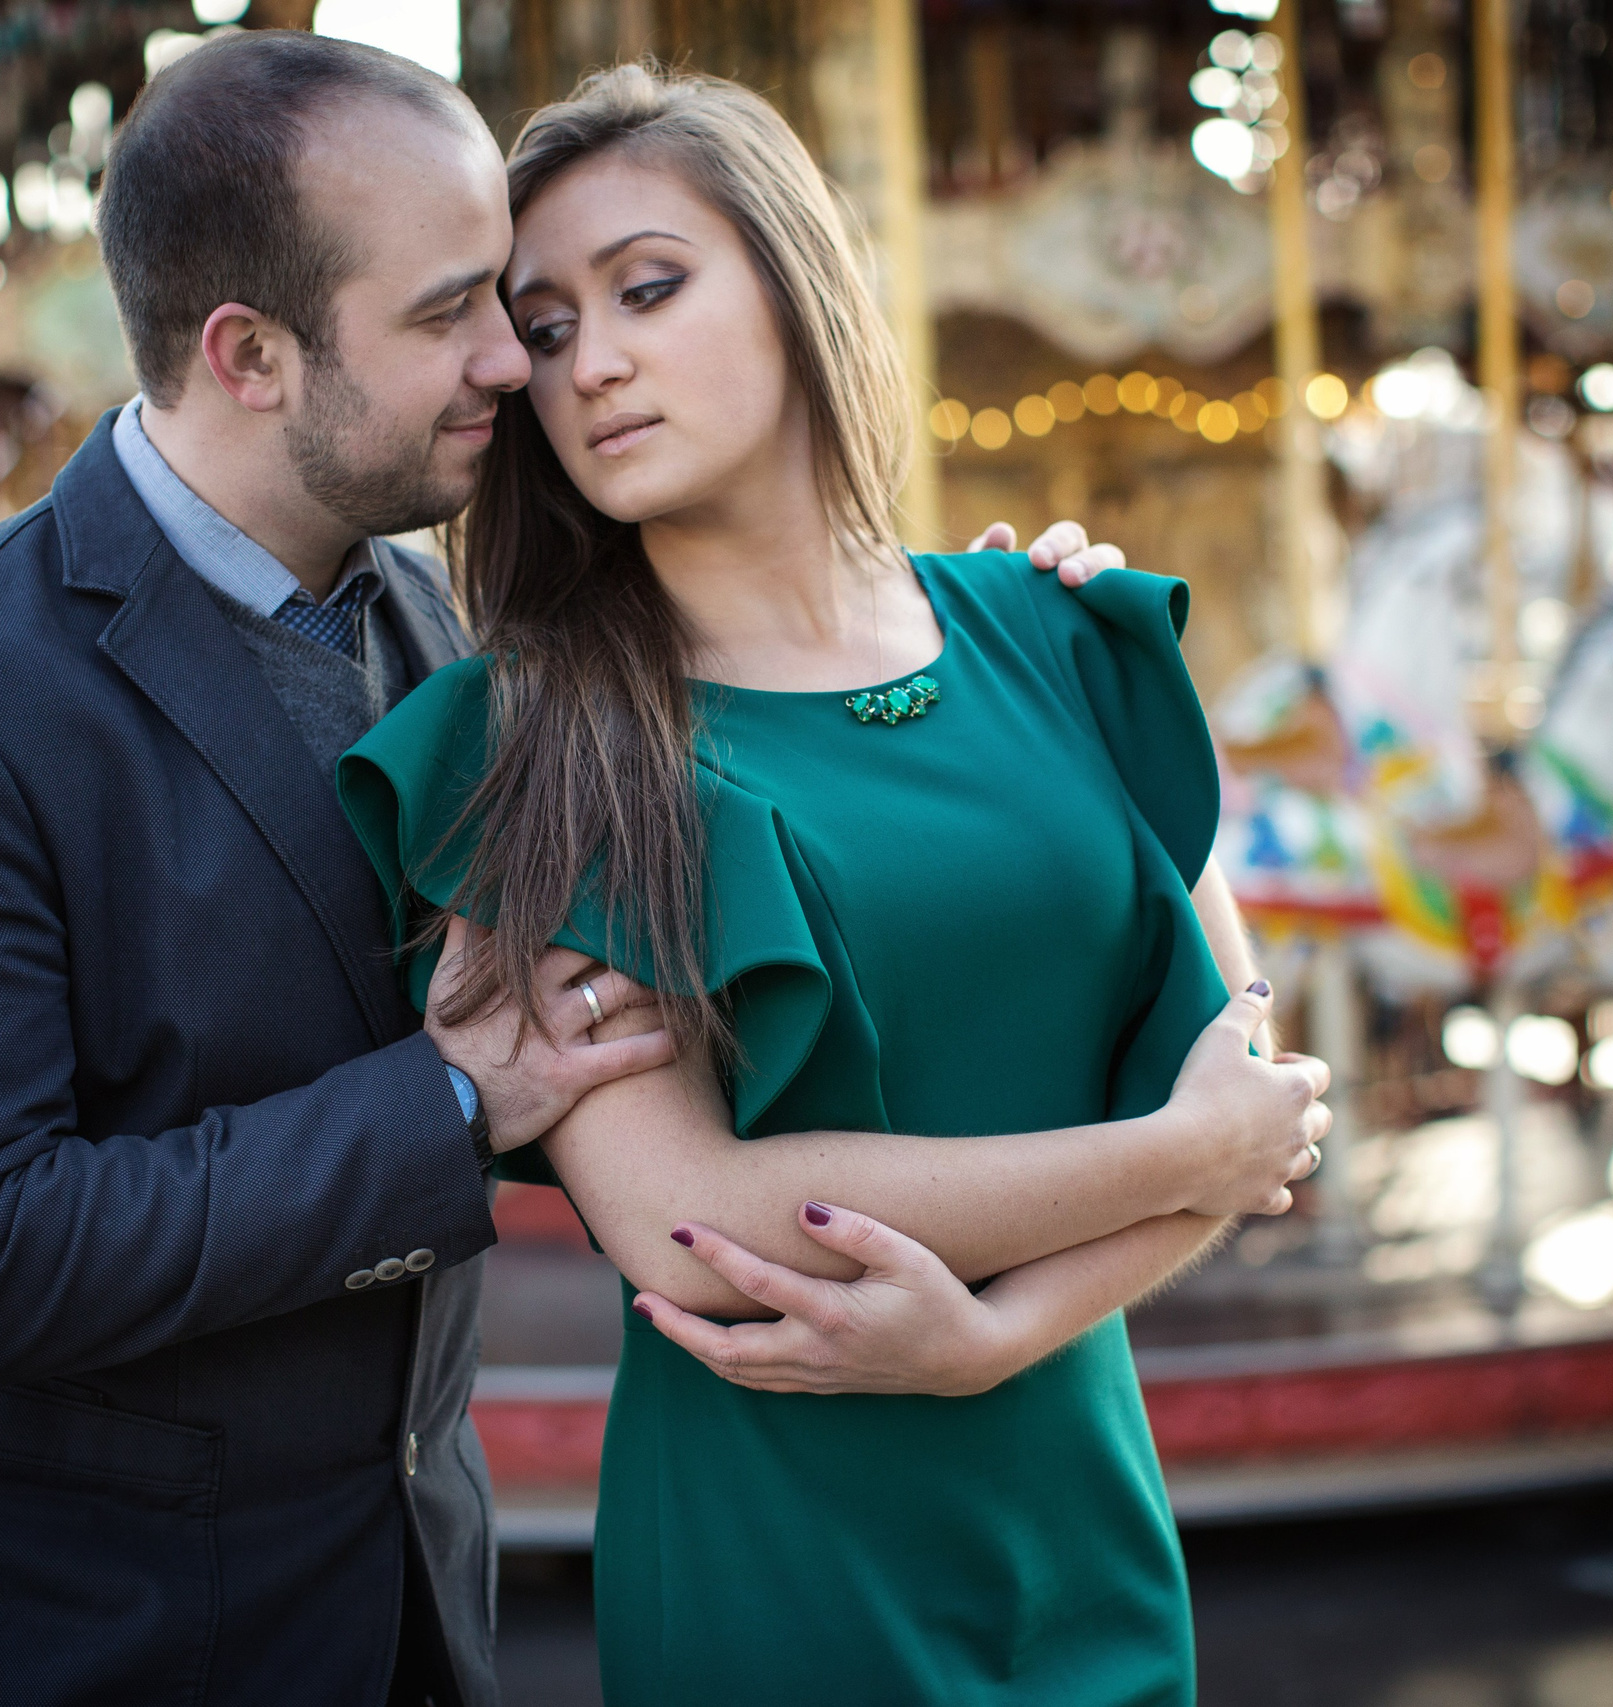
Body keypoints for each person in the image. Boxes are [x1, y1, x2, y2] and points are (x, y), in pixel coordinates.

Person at [0, 31, 1138, 1707]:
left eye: (515, 302)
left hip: (400, 1600)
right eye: (455, 315)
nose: (516, 361)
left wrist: (968, 689)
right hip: (61, 1637)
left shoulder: (450, 639)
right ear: (250, 355)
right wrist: (452, 1102)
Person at [338, 63, 1333, 1707]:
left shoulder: (1058, 634)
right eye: (554, 328)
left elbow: (1251, 1104)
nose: (598, 362)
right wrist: (1169, 1157)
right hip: (780, 1565)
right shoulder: (548, 742)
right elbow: (691, 1225)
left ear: (795, 285)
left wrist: (1002, 1339)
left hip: (1082, 1530)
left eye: (649, 287)